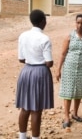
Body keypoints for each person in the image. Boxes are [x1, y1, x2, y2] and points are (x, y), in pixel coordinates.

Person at [16, 9, 54, 139]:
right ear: (43, 21)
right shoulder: (44, 38)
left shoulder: (23, 35)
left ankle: (22, 136)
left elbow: (21, 59)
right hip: (40, 72)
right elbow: (49, 62)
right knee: (36, 109)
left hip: (26, 71)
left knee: (25, 107)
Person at [56, 14, 82, 129]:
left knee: (78, 91)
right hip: (69, 67)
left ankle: (75, 113)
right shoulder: (69, 36)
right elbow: (63, 54)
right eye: (78, 22)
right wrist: (58, 70)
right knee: (68, 92)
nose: (80, 25)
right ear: (75, 23)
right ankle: (66, 116)